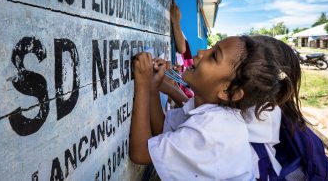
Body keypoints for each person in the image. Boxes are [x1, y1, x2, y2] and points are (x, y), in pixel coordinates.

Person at [129, 35, 306, 180]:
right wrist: (153, 88)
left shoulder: (215, 129)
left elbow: (141, 154)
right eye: (211, 48)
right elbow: (162, 131)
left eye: (214, 55)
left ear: (228, 91)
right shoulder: (214, 110)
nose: (201, 52)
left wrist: (143, 86)